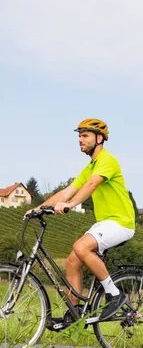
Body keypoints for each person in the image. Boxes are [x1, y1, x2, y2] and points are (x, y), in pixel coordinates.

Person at [30, 118, 135, 322]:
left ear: (99, 139)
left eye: (85, 135)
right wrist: (39, 208)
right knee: (72, 261)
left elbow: (92, 185)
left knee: (81, 246)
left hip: (121, 222)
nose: (80, 139)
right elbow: (68, 190)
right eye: (79, 136)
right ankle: (74, 313)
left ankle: (114, 294)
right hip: (105, 223)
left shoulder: (108, 161)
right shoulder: (90, 167)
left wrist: (71, 204)